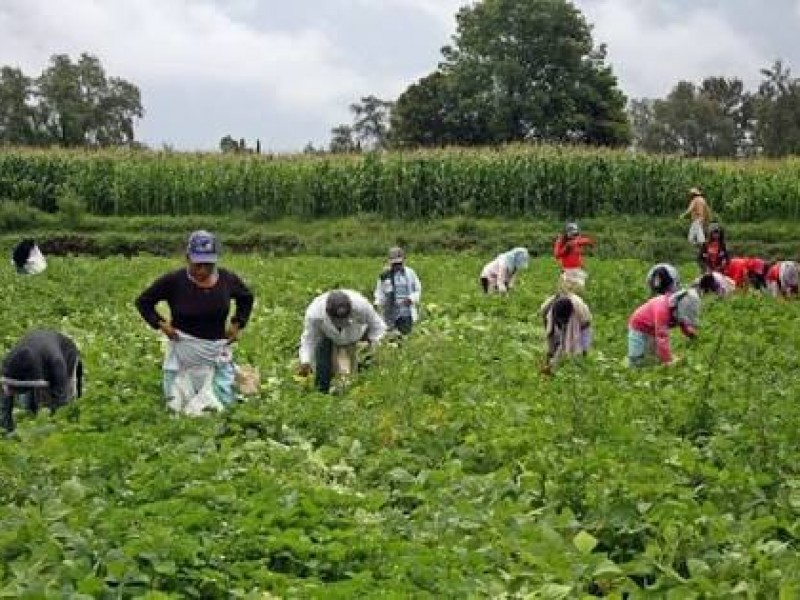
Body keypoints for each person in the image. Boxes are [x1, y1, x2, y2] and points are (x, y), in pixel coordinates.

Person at [135, 231, 254, 413]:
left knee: (221, 407)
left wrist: (237, 323)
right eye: (197, 265)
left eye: (208, 265)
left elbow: (246, 297)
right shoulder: (175, 281)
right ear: (188, 258)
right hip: (184, 352)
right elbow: (144, 301)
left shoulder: (226, 279)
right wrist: (161, 323)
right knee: (177, 406)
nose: (203, 271)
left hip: (214, 351)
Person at [298, 289, 386, 393]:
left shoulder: (361, 305)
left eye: (344, 319)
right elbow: (309, 340)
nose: (341, 324)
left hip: (358, 336)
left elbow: (378, 327)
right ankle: (323, 391)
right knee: (324, 369)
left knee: (361, 373)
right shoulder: (314, 314)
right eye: (337, 321)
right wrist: (305, 362)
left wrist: (376, 349)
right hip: (329, 338)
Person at [1, 330, 82, 432]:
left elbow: (61, 397)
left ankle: (64, 428)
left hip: (65, 355)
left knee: (59, 401)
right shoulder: (8, 363)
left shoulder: (56, 362)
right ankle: (32, 416)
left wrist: (55, 422)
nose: (10, 392)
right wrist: (5, 429)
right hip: (36, 357)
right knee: (27, 405)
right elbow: (4, 400)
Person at [627, 288, 701, 367]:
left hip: (653, 329)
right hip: (638, 326)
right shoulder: (662, 309)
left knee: (653, 357)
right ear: (676, 306)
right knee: (636, 360)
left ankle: (656, 360)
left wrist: (691, 334)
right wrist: (668, 361)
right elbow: (662, 337)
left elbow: (683, 323)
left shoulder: (678, 307)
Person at [539, 286, 592, 375]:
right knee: (553, 342)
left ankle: (581, 368)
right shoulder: (548, 308)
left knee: (581, 347)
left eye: (563, 321)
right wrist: (550, 354)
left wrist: (554, 362)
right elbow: (549, 332)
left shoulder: (576, 313)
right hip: (556, 313)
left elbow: (567, 341)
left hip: (583, 324)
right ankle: (548, 366)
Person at [374, 247, 422, 335]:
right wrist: (378, 304)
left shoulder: (410, 273)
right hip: (390, 313)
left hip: (406, 314)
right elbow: (379, 292)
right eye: (394, 264)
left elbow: (418, 290)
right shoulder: (385, 275)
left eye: (399, 263)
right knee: (391, 337)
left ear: (404, 260)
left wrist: (411, 299)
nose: (397, 266)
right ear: (390, 262)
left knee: (405, 337)